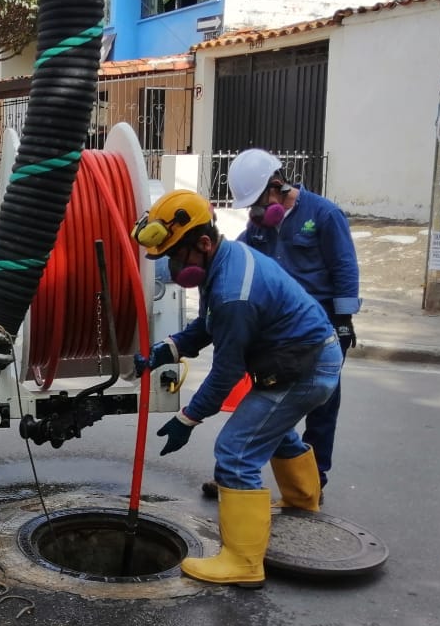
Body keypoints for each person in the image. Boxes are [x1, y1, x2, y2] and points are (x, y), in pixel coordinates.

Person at [132, 190, 343, 587]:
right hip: (307, 357)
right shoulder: (225, 262)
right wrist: (169, 349)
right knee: (273, 432)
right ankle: (301, 502)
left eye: (176, 257)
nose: (174, 269)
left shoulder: (232, 292)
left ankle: (243, 562)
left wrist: (187, 418)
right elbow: (209, 324)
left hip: (306, 368)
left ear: (204, 243)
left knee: (236, 451)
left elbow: (226, 371)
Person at [202, 149, 361, 499]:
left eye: (258, 202)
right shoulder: (259, 226)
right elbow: (234, 258)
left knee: (322, 405)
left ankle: (313, 482)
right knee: (271, 403)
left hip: (319, 328)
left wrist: (344, 321)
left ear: (278, 185)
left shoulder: (323, 214)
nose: (256, 211)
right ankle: (238, 473)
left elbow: (344, 268)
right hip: (278, 331)